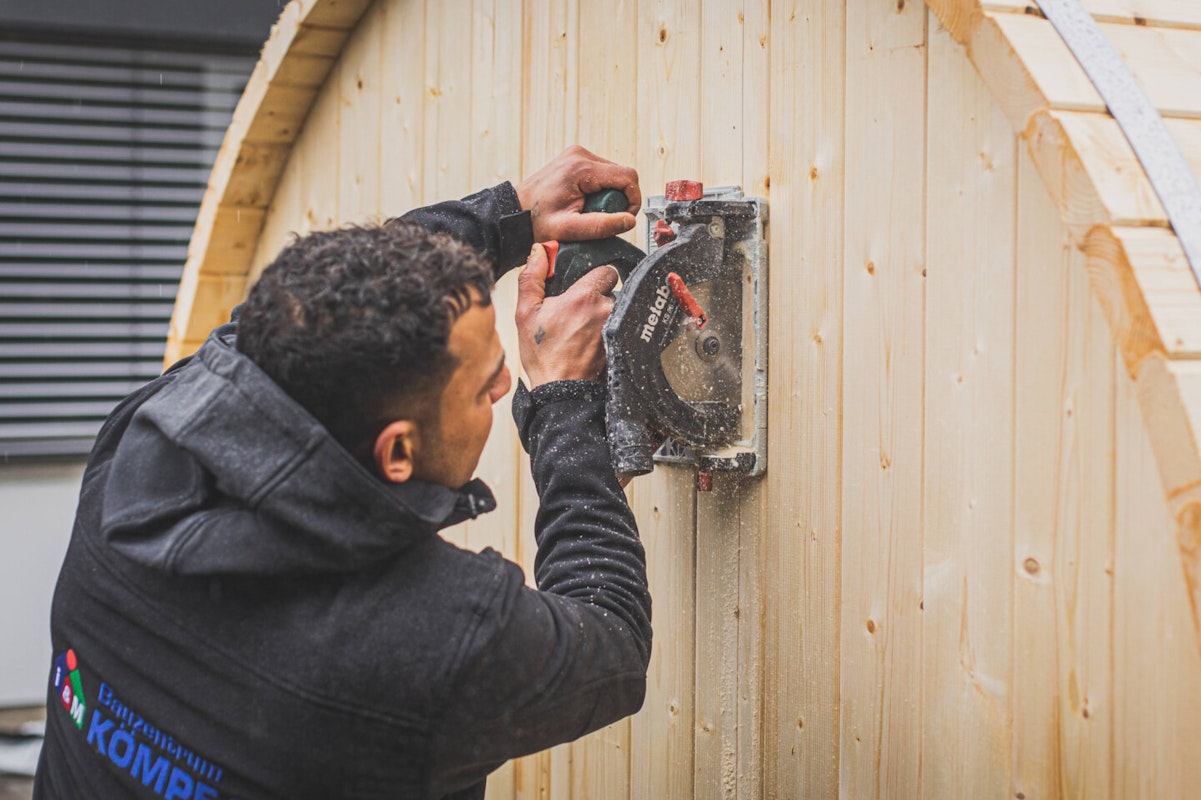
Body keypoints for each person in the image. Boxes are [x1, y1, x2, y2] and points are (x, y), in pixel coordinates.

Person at [34, 146, 651, 800]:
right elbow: (611, 647)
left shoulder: (144, 436)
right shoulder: (427, 637)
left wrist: (508, 217)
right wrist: (562, 398)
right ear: (395, 454)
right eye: (481, 387)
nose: (507, 383)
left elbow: (304, 309)